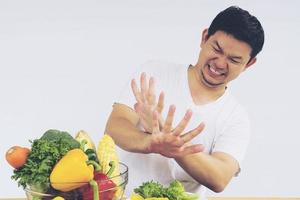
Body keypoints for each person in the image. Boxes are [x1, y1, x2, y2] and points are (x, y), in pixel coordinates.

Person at [105, 6, 264, 199]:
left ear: (249, 64)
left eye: (234, 60)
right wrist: (150, 142)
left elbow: (220, 178)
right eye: (216, 49)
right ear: (204, 38)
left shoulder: (236, 118)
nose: (220, 64)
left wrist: (174, 147)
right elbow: (115, 127)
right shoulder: (155, 72)